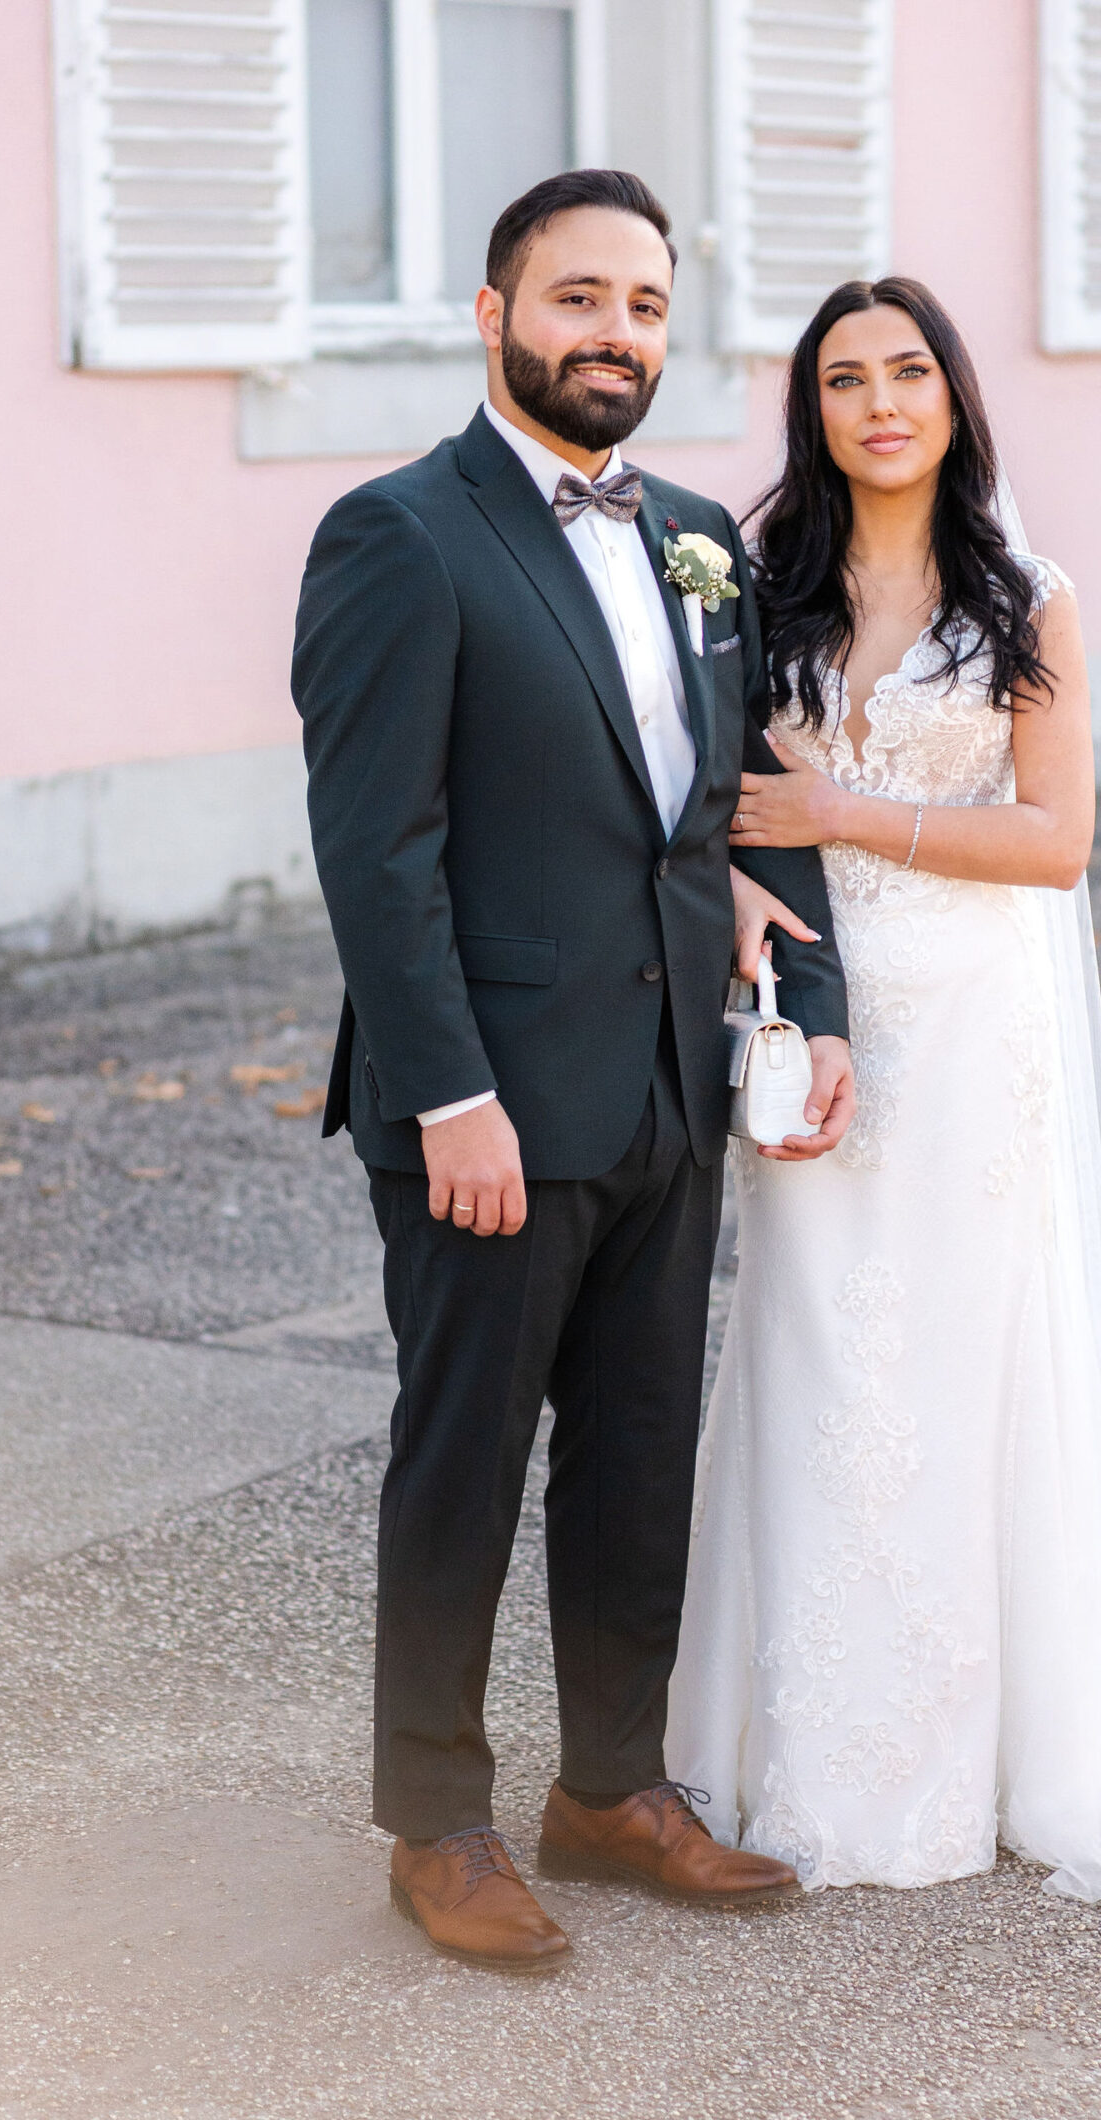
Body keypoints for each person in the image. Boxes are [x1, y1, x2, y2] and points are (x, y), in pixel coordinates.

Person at [666, 277, 1101, 1906]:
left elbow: (1055, 839)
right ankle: (794, 1744)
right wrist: (746, 889)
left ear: (953, 396)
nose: (880, 403)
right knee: (814, 1353)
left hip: (967, 1024)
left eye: (909, 372)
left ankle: (962, 1763)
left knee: (954, 1367)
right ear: (812, 410)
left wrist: (848, 812)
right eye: (844, 379)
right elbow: (719, 793)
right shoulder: (764, 581)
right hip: (820, 1014)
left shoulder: (1027, 597)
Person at [292, 170, 854, 1974]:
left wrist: (811, 995)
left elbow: (739, 804)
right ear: (495, 315)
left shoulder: (698, 538)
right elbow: (376, 850)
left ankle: (610, 1790)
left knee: (638, 1458)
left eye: (646, 305)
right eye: (579, 297)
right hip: (489, 1108)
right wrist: (449, 1093)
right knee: (462, 1464)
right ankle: (436, 1823)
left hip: (671, 1083)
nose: (616, 334)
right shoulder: (399, 535)